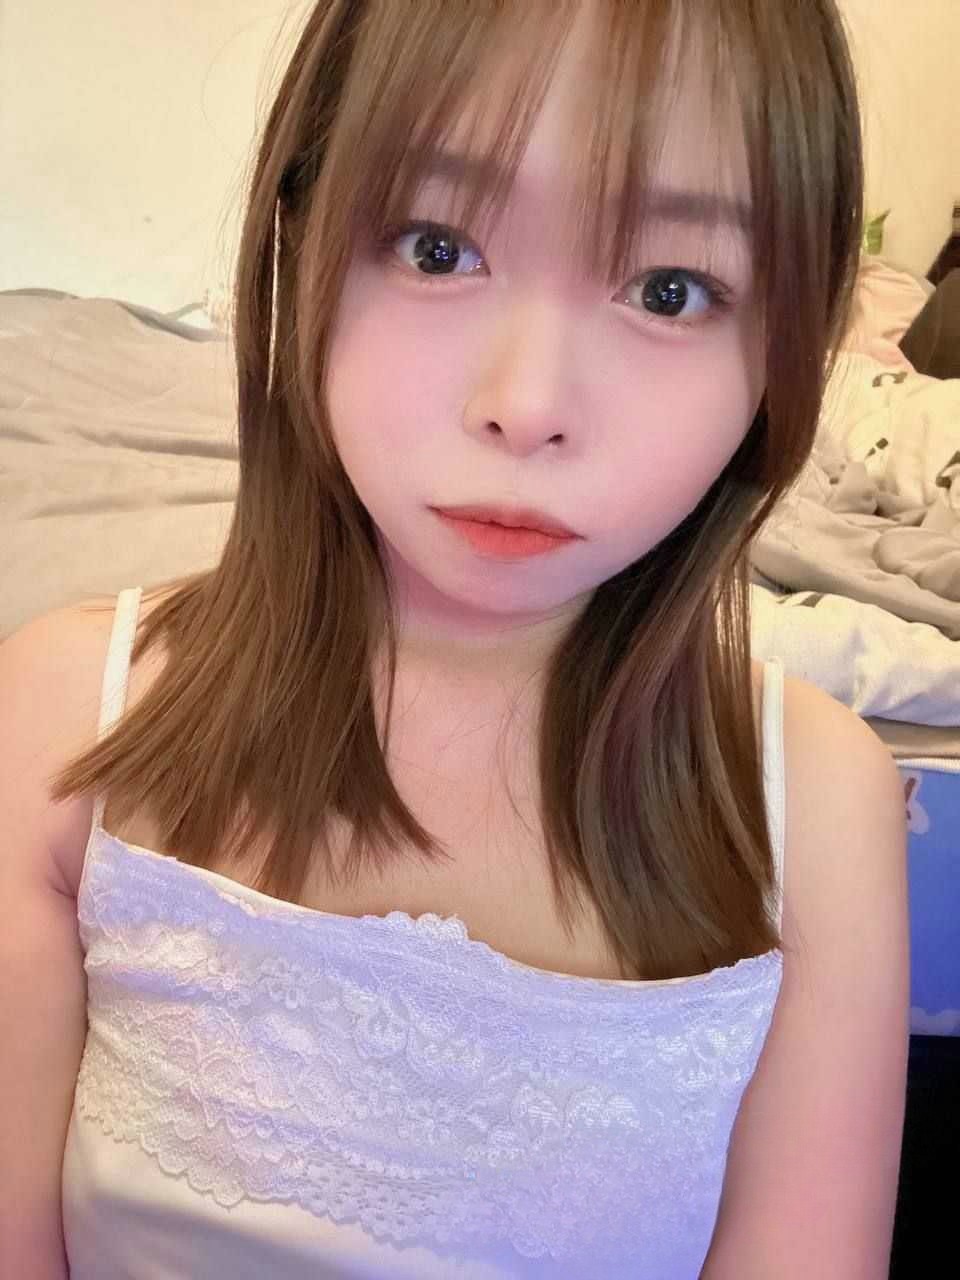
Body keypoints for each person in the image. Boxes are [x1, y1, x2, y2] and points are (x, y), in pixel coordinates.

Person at [0, 1, 910, 1276]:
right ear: (301, 241)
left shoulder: (813, 808)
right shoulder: (63, 718)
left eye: (669, 289)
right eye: (437, 248)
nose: (525, 407)